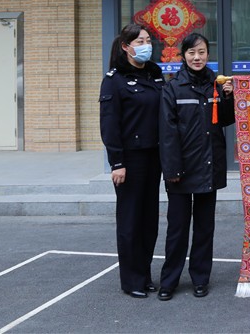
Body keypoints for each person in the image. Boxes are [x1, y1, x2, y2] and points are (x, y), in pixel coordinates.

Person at [157, 33, 235, 301]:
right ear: (184, 56)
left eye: (201, 52)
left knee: (204, 229)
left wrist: (228, 98)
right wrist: (172, 171)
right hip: (181, 169)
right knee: (177, 229)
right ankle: (169, 281)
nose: (197, 57)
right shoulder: (173, 87)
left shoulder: (216, 84)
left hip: (208, 166)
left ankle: (200, 279)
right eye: (191, 52)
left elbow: (225, 120)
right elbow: (167, 133)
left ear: (208, 55)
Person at [99, 23, 165, 298]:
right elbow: (109, 124)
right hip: (130, 159)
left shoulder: (154, 74)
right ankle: (132, 280)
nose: (146, 46)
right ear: (126, 47)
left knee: (149, 221)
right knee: (130, 221)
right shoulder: (114, 80)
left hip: (154, 156)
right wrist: (117, 162)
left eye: (148, 40)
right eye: (139, 42)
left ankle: (144, 274)